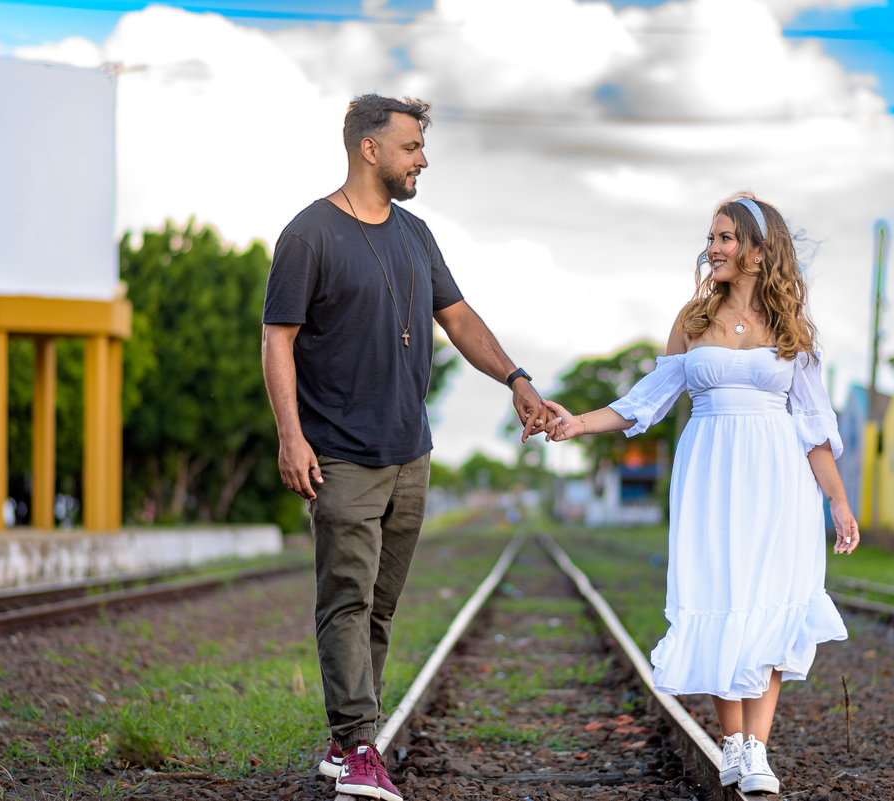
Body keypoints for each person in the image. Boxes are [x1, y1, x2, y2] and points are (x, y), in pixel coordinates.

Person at [261, 94, 549, 801]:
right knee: (346, 601)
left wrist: (514, 376)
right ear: (369, 148)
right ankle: (362, 745)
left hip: (409, 453)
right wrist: (291, 436)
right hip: (342, 456)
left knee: (379, 608)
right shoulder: (309, 235)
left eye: (422, 146)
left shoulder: (416, 236)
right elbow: (278, 339)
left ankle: (345, 743)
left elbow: (457, 317)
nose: (423, 158)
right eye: (412, 146)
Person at [543, 195, 858, 796]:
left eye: (726, 238)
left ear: (759, 253)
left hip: (778, 479)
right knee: (720, 595)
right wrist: (577, 422)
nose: (713, 248)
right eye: (711, 237)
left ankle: (756, 749)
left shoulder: (792, 330)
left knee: (770, 599)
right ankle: (733, 742)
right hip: (712, 473)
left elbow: (815, 427)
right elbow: (646, 400)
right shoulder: (693, 319)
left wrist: (838, 504)